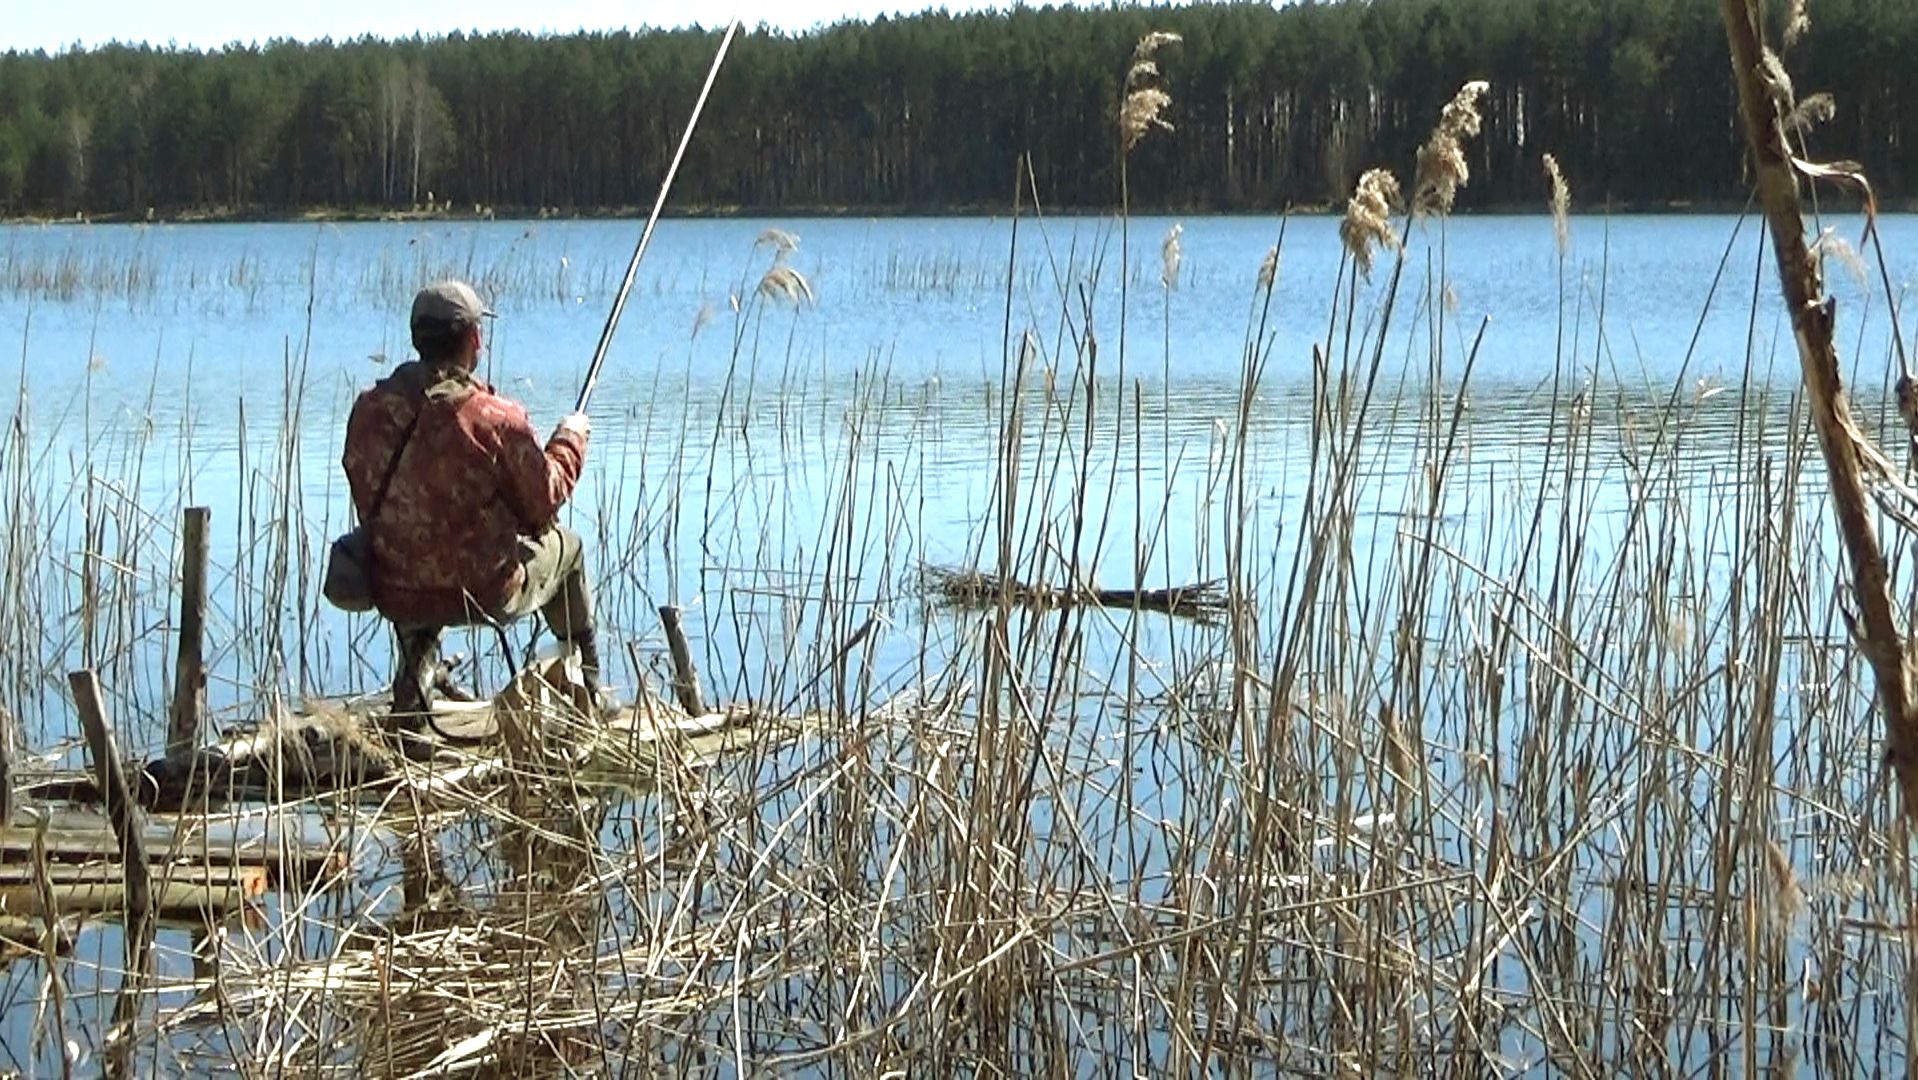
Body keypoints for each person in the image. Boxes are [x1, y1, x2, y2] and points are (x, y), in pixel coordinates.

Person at [342, 279, 602, 725]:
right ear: (475, 339)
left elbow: (366, 496)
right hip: (484, 593)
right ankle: (590, 692)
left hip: (395, 586)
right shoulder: (497, 420)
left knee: (413, 550)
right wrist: (570, 439)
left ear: (416, 338)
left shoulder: (370, 410)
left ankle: (412, 700)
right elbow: (543, 506)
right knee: (570, 549)